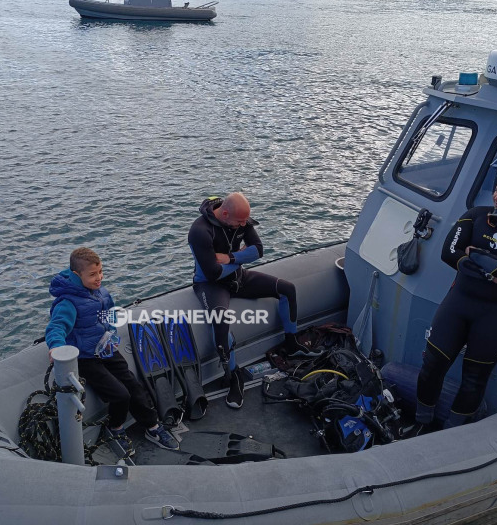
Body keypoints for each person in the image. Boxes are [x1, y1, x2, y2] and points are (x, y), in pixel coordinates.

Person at [402, 171, 497, 437]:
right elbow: (449, 252)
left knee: (474, 379)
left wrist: (475, 255)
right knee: (432, 366)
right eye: (496, 191)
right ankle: (422, 422)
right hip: (458, 304)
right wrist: (494, 271)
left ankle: (452, 433)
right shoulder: (475, 216)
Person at [188, 192, 317, 409]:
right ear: (225, 213)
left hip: (238, 278)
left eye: (245, 222)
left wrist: (230, 258)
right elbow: (212, 273)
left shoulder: (240, 219)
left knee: (288, 289)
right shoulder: (200, 231)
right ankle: (234, 376)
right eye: (240, 222)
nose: (244, 225)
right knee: (220, 321)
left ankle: (291, 342)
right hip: (211, 285)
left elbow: (258, 250)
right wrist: (241, 257)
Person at [45, 247, 179, 455]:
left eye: (100, 272)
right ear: (76, 275)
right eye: (92, 274)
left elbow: (109, 317)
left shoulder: (102, 293)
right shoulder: (67, 302)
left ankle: (152, 426)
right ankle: (115, 428)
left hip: (105, 349)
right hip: (86, 358)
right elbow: (57, 327)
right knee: (120, 395)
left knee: (133, 385)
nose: (99, 278)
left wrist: (111, 334)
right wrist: (56, 346)